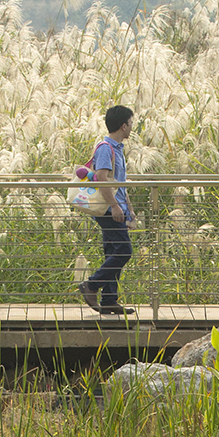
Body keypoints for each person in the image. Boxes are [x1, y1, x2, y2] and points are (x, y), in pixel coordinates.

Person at [78, 104, 137, 315]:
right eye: (131, 123)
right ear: (123, 125)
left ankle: (110, 300)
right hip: (107, 208)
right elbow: (102, 178)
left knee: (113, 250)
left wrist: (128, 207)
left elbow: (118, 182)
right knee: (124, 251)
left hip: (116, 206)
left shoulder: (118, 150)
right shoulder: (106, 148)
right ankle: (92, 285)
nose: (132, 127)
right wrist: (114, 206)